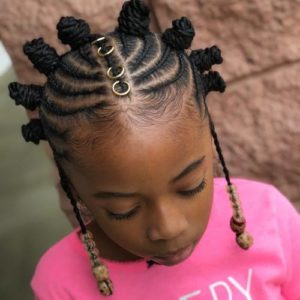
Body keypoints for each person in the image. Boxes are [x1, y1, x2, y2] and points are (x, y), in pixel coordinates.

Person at [8, 0, 300, 299]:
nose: (167, 229)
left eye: (190, 187)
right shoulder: (60, 282)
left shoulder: (268, 214)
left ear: (210, 145)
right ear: (75, 189)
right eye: (125, 210)